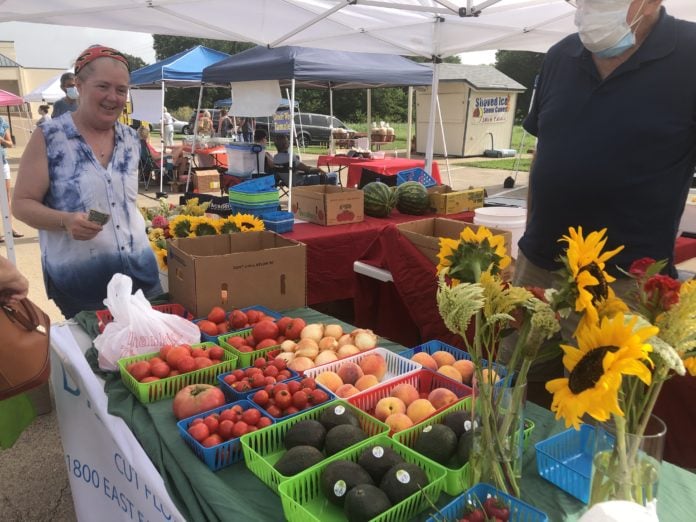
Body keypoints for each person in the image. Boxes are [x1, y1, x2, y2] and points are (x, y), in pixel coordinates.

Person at [507, 0, 696, 404]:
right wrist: (527, 236)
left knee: (598, 412)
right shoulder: (561, 55)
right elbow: (544, 151)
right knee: (509, 387)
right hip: (538, 265)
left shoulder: (691, 55)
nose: (590, 7)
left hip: (624, 280)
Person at [12, 45, 161, 319]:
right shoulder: (50, 137)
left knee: (149, 358)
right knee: (98, 359)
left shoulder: (130, 139)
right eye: (103, 86)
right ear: (78, 85)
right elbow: (21, 204)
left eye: (121, 89)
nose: (113, 97)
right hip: (82, 284)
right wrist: (65, 220)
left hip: (141, 276)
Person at [273, 134, 337, 186]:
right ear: (285, 145)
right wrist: (319, 169)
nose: (289, 143)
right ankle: (335, 200)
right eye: (288, 141)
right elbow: (307, 169)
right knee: (333, 176)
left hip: (288, 183)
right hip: (302, 182)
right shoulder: (290, 157)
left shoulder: (275, 158)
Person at [0, 116, 22, 240]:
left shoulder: (2, 122)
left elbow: (10, 143)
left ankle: (10, 227)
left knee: (6, 196)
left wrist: (1, 140)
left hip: (2, 163)